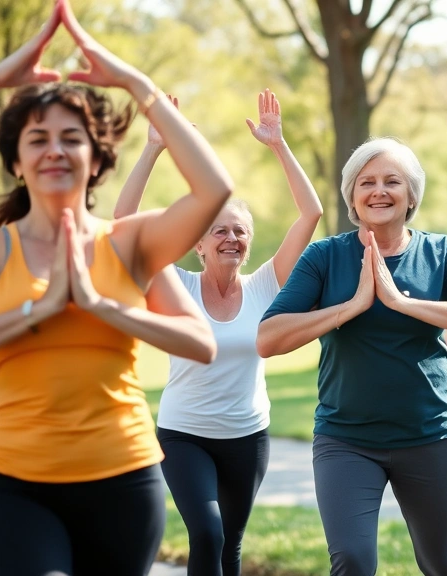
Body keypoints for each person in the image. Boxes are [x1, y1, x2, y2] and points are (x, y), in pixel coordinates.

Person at [0, 0, 233, 573]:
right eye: (37, 138)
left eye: (71, 138)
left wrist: (135, 83)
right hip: (14, 482)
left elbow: (214, 190)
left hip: (123, 480)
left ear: (98, 158)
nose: (55, 149)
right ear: (16, 161)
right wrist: (41, 307)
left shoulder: (129, 242)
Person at [257, 135, 447, 576]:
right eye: (367, 182)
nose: (379, 191)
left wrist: (402, 302)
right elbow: (268, 338)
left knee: (443, 563)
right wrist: (351, 306)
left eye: (392, 181)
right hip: (346, 440)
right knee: (352, 560)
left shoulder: (441, 252)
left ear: (411, 195)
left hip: (430, 437)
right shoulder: (324, 257)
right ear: (352, 197)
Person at [114, 89, 323, 576]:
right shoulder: (177, 284)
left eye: (240, 231)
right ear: (199, 245)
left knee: (229, 546)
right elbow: (123, 225)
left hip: (248, 437)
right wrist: (153, 148)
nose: (232, 238)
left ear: (249, 243)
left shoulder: (266, 284)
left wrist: (278, 146)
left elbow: (310, 213)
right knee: (207, 533)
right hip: (184, 435)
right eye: (219, 231)